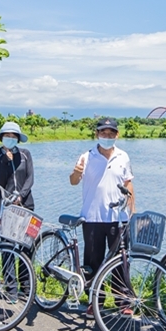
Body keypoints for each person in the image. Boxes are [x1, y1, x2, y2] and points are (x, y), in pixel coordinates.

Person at [69, 116, 135, 287]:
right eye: (103, 133)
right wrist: (76, 173)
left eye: (110, 133)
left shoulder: (123, 157)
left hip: (118, 217)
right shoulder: (87, 156)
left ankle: (121, 301)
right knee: (93, 261)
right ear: (96, 134)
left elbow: (128, 183)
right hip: (92, 217)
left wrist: (132, 210)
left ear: (117, 135)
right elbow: (73, 181)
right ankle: (93, 301)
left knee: (120, 261)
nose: (107, 136)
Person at [0, 121, 35, 210]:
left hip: (25, 203)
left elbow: (30, 178)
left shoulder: (25, 154)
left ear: (18, 139)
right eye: (7, 136)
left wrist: (21, 195)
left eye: (14, 137)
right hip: (5, 203)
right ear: (1, 138)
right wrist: (4, 162)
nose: (10, 138)